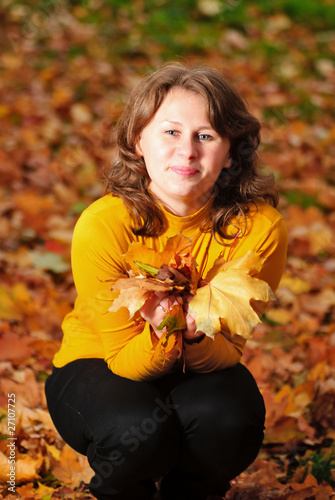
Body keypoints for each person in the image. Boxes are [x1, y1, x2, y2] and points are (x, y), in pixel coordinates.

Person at [45, 63, 288, 500]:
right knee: (134, 433)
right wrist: (168, 327)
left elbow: (227, 350)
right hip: (101, 361)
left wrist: (192, 335)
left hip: (199, 363)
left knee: (229, 420)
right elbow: (126, 362)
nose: (188, 152)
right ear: (139, 141)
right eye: (171, 132)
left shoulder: (260, 230)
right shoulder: (104, 225)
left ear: (231, 151)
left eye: (207, 136)